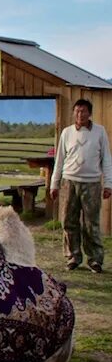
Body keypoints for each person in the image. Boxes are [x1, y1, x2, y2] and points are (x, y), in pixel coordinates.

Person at [49, 99, 112, 273]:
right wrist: (54, 184)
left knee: (91, 222)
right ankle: (73, 257)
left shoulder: (99, 132)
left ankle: (95, 259)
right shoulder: (67, 133)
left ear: (89, 113)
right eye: (76, 111)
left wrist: (108, 184)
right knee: (69, 220)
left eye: (83, 111)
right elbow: (59, 160)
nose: (80, 115)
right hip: (69, 181)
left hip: (92, 182)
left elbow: (106, 159)